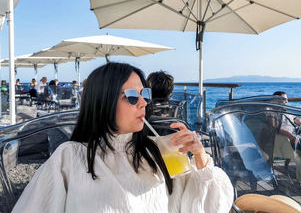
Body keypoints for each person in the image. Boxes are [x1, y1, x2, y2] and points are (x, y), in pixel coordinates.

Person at [13, 62, 234, 212]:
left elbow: (205, 205)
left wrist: (200, 156)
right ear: (103, 101)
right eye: (131, 96)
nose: (144, 102)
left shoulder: (158, 151)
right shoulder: (70, 157)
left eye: (144, 94)